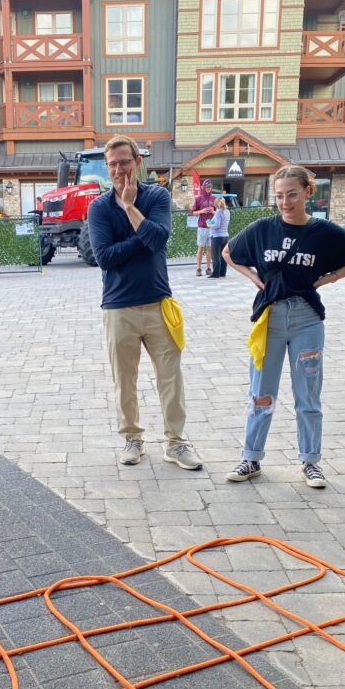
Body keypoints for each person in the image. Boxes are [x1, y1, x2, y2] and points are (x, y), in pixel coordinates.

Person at [224, 164, 345, 487]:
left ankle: (310, 462)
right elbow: (228, 252)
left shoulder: (324, 233)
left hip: (307, 318)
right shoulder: (263, 229)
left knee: (308, 396)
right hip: (270, 319)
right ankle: (251, 458)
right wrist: (252, 276)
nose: (285, 202)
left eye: (292, 194)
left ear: (309, 191)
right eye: (279, 195)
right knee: (260, 393)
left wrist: (333, 277)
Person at [88, 134, 203, 470]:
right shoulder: (98, 207)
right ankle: (132, 439)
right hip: (118, 307)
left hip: (158, 303)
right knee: (124, 380)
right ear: (106, 167)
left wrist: (129, 207)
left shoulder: (156, 196)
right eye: (112, 164)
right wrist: (142, 235)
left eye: (125, 161)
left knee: (171, 377)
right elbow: (105, 258)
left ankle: (176, 443)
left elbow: (159, 238)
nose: (119, 169)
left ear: (138, 162)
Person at [193, 178, 216, 277]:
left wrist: (212, 211)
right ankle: (198, 268)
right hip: (202, 226)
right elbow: (193, 212)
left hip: (211, 227)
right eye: (207, 187)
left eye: (210, 187)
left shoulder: (214, 199)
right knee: (200, 248)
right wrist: (202, 211)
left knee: (210, 248)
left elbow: (219, 212)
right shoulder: (199, 198)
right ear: (204, 187)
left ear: (212, 187)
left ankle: (208, 268)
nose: (208, 188)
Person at [209, 196, 231, 278]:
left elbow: (217, 225)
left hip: (216, 236)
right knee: (223, 255)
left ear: (216, 204)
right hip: (225, 235)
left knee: (215, 256)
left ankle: (215, 274)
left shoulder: (218, 212)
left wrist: (209, 225)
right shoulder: (227, 211)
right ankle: (222, 272)